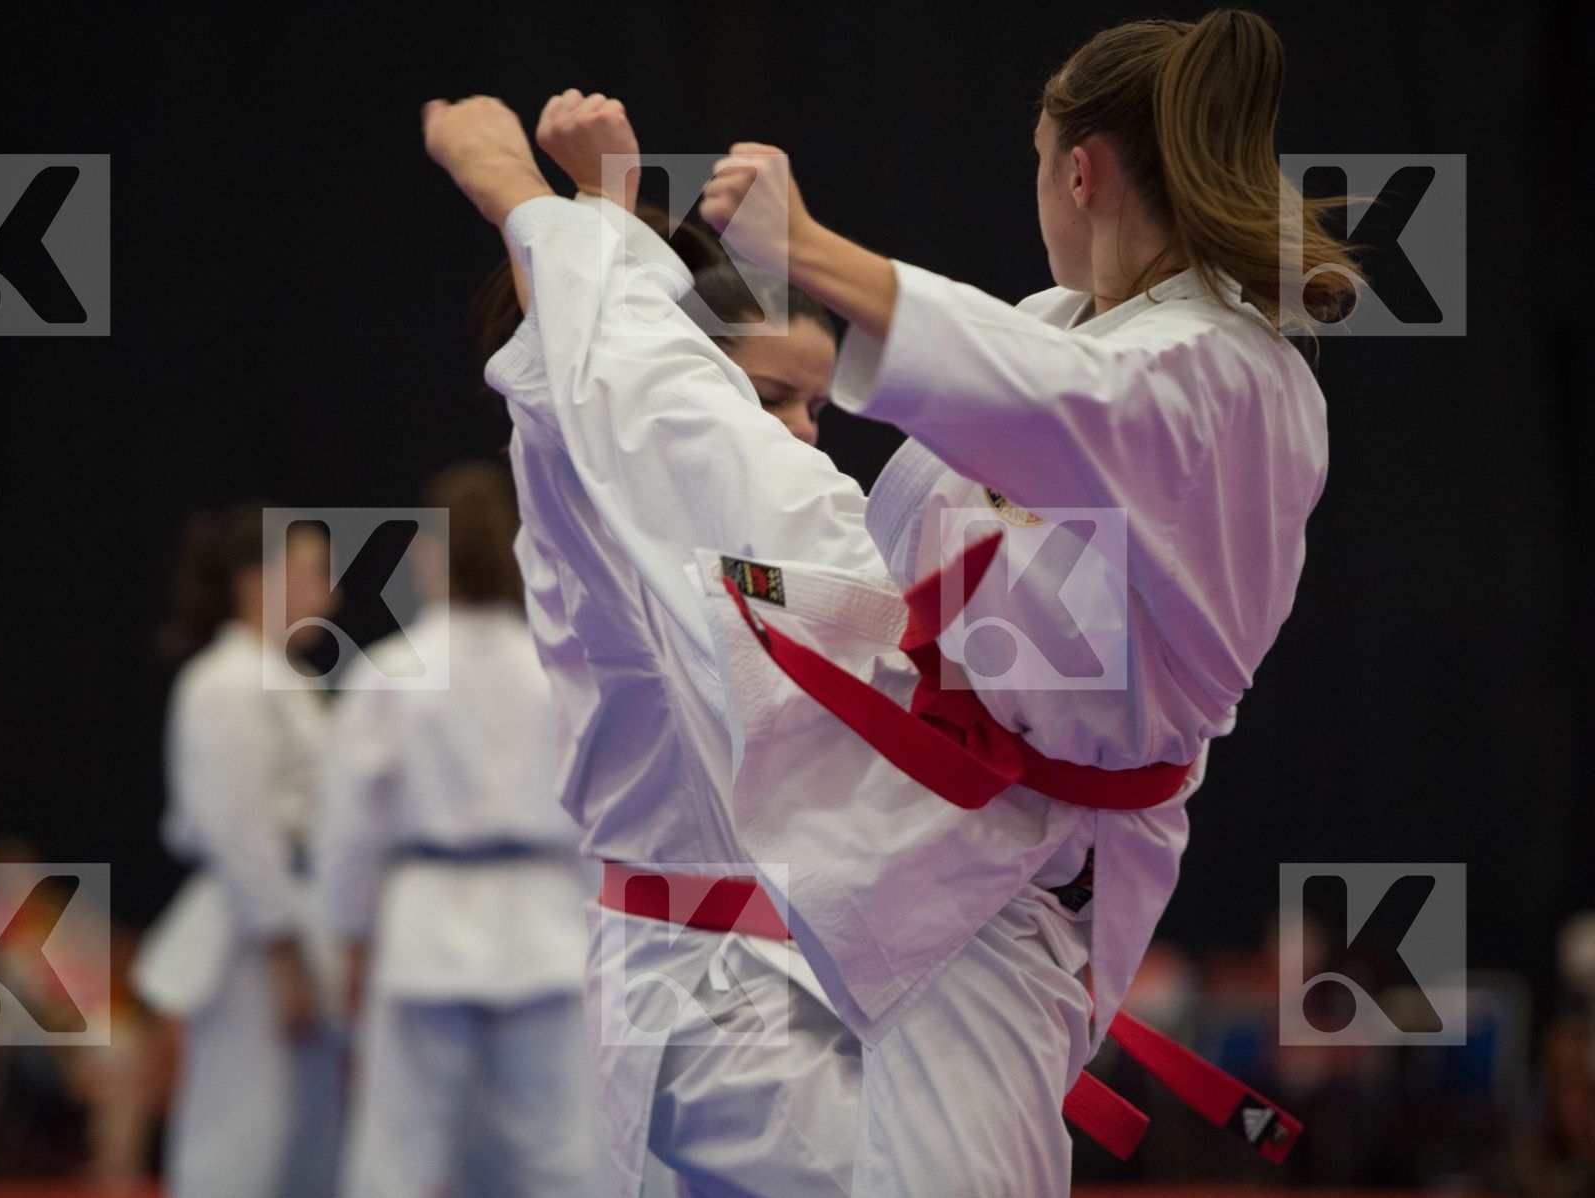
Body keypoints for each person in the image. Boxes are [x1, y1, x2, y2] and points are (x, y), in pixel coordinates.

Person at [425, 7, 1344, 1192]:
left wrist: (803, 243)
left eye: (1036, 167)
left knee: (705, 457)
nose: (806, 424)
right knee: (708, 464)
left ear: (1080, 169)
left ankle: (559, 223)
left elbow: (1052, 398)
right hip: (928, 782)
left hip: (993, 841)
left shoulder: (1221, 374)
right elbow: (973, 436)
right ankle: (565, 228)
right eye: (782, 393)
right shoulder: (1084, 329)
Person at [429, 99, 872, 1196]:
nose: (804, 429)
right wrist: (564, 205)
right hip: (710, 996)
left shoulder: (811, 526)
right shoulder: (608, 524)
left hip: (800, 982)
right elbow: (595, 395)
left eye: (819, 402)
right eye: (771, 396)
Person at [313, 460, 601, 1198]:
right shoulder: (558, 668)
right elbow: (602, 808)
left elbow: (349, 825)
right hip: (544, 922)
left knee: (399, 1155)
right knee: (559, 1151)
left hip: (424, 924)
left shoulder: (389, 672)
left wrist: (345, 935)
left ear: (430, 555)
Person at [131, 504, 346, 1198]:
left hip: (302, 918)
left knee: (307, 1146)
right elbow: (240, 833)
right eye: (312, 573)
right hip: (252, 943)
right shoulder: (223, 683)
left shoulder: (290, 682)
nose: (329, 595)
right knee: (241, 1141)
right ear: (258, 582)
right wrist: (282, 953)